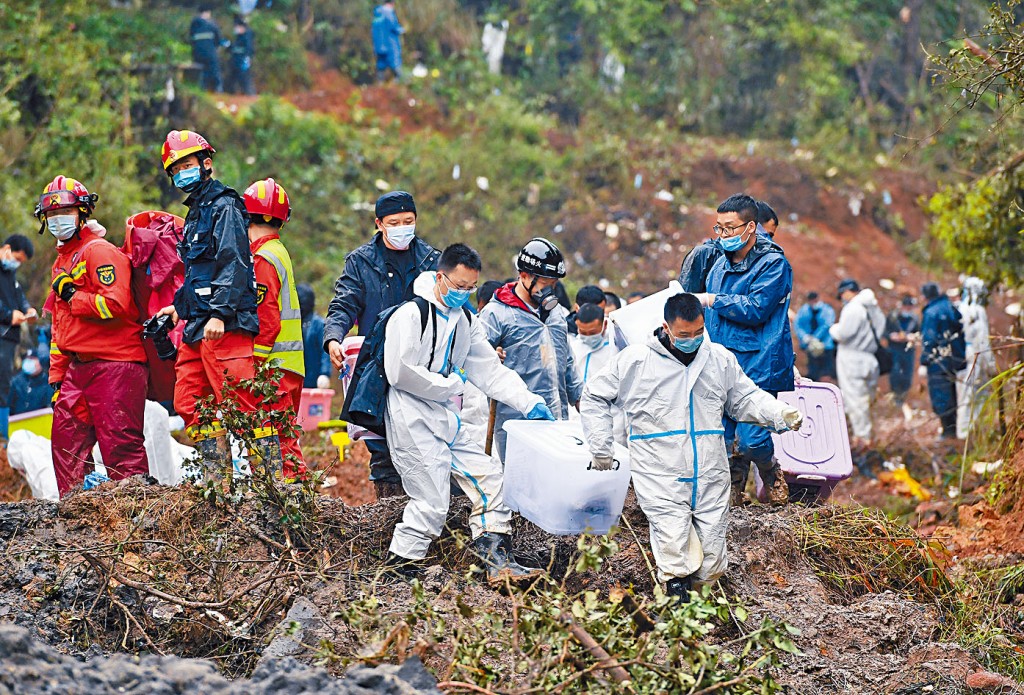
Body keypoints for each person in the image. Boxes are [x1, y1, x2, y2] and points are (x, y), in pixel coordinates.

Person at [581, 293, 802, 600]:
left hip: (710, 470)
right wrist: (601, 447)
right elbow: (595, 395)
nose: (692, 340)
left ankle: (699, 608)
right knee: (674, 547)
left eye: (699, 332)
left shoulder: (718, 359)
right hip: (660, 470)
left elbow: (744, 398)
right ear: (666, 328)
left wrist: (778, 414)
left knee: (712, 559)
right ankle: (676, 605)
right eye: (684, 335)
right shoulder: (636, 361)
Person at [382, 243, 549, 584]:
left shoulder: (465, 320)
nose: (464, 293)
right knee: (431, 500)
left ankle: (496, 559)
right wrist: (450, 384)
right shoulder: (410, 315)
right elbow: (399, 372)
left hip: (445, 416)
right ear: (440, 277)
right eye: (459, 286)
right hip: (410, 417)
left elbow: (489, 370)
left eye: (471, 288)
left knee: (491, 475)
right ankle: (400, 568)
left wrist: (527, 401)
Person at [156, 130, 266, 482]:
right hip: (197, 325)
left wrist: (220, 312)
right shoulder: (195, 214)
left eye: (186, 165)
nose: (181, 174)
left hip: (225, 325)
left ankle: (272, 491)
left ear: (206, 163)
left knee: (243, 406)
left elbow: (234, 261)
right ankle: (217, 487)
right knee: (190, 401)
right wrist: (178, 308)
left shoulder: (225, 206)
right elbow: (197, 274)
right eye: (175, 170)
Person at [36, 176, 149, 496]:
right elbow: (61, 326)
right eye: (52, 215)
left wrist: (74, 296)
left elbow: (116, 303)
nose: (58, 220)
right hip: (79, 368)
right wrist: (57, 379)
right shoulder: (62, 261)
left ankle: (135, 514)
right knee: (66, 445)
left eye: (65, 212)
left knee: (121, 448)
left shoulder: (99, 252)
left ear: (82, 213)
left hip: (116, 364)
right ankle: (78, 514)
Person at [323, 191, 440, 498]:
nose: (402, 228)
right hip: (376, 366)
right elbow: (344, 303)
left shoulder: (432, 260)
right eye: (394, 223)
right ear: (379, 224)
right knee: (382, 447)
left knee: (422, 445)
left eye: (408, 221)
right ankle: (388, 510)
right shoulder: (361, 262)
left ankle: (423, 511)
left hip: (420, 366)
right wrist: (334, 336)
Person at [695, 194, 794, 506]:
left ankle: (770, 470)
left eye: (730, 228)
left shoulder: (773, 265)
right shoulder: (718, 267)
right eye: (719, 228)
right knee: (722, 440)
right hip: (720, 363)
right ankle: (733, 493)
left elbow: (757, 308)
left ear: (751, 227)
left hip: (758, 363)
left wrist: (713, 300)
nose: (723, 235)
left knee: (751, 439)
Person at [480, 238, 582, 462]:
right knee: (524, 478)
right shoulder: (496, 314)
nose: (549, 290)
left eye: (553, 284)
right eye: (545, 284)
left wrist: (579, 398)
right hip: (518, 424)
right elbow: (476, 359)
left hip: (558, 422)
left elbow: (566, 360)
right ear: (524, 276)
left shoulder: (556, 314)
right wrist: (491, 356)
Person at [243, 177, 306, 479]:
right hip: (288, 366)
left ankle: (290, 496)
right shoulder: (278, 251)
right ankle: (291, 494)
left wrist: (253, 364)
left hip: (273, 367)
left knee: (275, 439)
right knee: (282, 437)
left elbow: (267, 319)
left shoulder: (263, 258)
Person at [829, 278, 886, 450]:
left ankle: (862, 439)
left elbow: (844, 333)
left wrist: (833, 329)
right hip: (869, 357)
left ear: (847, 291)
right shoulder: (873, 308)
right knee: (867, 399)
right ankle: (867, 434)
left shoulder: (853, 308)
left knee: (855, 400)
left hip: (853, 358)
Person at [0, 234, 37, 439]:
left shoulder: (10, 274)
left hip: (9, 338)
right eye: (17, 258)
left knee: (4, 385)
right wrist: (8, 315)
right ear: (7, 248)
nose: (17, 264)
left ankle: (3, 437)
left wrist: (27, 310)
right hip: (2, 333)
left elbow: (19, 297)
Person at [919, 282, 966, 441]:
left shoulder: (931, 312)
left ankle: (948, 432)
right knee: (952, 393)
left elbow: (929, 338)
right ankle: (954, 429)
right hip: (953, 359)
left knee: (940, 395)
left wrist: (924, 360)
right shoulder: (949, 306)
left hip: (938, 362)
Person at [956, 277, 996, 440]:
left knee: (964, 392)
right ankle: (966, 431)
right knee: (974, 392)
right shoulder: (978, 311)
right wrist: (991, 364)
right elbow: (983, 339)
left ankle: (966, 429)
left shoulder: (959, 307)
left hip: (962, 353)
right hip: (974, 353)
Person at [885, 295, 920, 409]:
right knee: (895, 371)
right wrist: (891, 336)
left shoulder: (914, 319)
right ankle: (895, 394)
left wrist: (912, 337)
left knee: (907, 373)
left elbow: (919, 333)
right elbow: (885, 332)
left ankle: (903, 395)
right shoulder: (893, 317)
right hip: (894, 349)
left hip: (908, 350)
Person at [793, 292, 837, 382]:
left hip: (826, 346)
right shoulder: (804, 310)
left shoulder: (827, 310)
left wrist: (816, 337)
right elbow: (797, 324)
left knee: (827, 373)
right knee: (813, 373)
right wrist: (804, 337)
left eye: (815, 301)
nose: (813, 303)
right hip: (810, 347)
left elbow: (827, 324)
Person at [296, 284, 331, 389]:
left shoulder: (318, 324)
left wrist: (325, 373)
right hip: (296, 380)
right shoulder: (293, 323)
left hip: (315, 381)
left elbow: (325, 350)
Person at [190, 4, 226, 93]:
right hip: (210, 52)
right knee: (214, 70)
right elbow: (218, 40)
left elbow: (191, 39)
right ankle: (218, 89)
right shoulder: (212, 25)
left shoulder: (194, 24)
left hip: (197, 53)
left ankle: (201, 89)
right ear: (208, 13)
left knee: (200, 72)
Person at [9, 349, 50, 416]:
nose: (28, 361)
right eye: (27, 358)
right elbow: (9, 405)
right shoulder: (16, 381)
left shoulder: (47, 383)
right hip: (17, 420)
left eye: (32, 359)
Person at [372, 0, 405, 82]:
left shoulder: (377, 13)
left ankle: (380, 85)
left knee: (381, 67)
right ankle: (398, 85)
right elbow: (395, 27)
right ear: (392, 3)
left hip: (379, 46)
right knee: (396, 66)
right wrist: (403, 29)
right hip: (390, 45)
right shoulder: (389, 13)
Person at [228, 15, 256, 96]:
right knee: (232, 78)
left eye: (237, 27)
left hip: (242, 60)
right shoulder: (238, 37)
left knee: (245, 79)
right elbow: (234, 48)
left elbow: (249, 50)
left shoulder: (247, 37)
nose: (235, 29)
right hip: (235, 61)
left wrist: (247, 59)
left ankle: (250, 94)